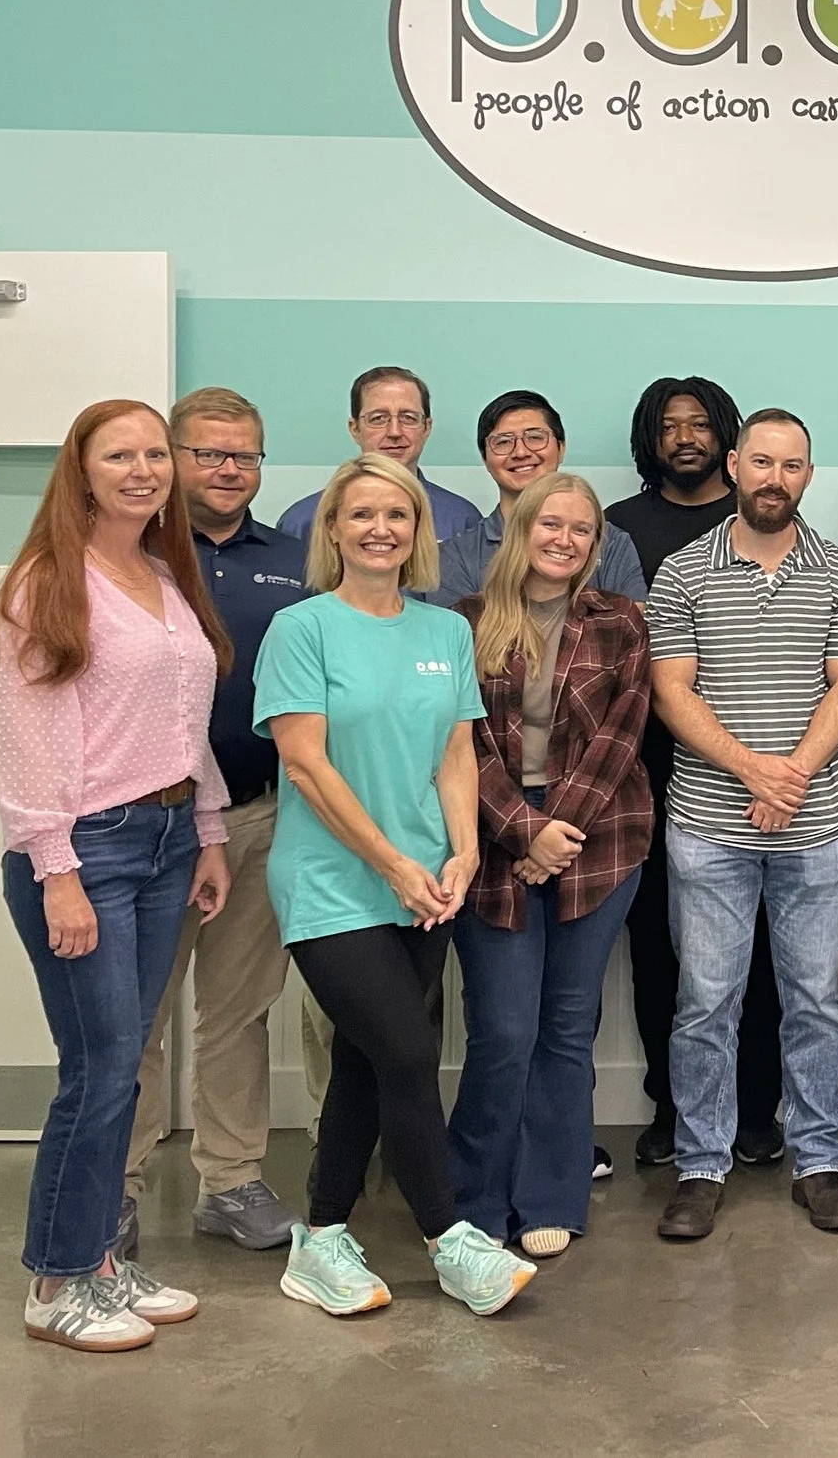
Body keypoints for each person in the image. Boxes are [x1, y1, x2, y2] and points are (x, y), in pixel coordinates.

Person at [254, 452, 537, 1318]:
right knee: (409, 1052)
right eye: (362, 513)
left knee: (365, 1063)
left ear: (418, 531)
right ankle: (450, 1238)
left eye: (399, 514)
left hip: (427, 884)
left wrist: (461, 853)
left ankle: (324, 1237)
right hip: (336, 884)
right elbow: (304, 764)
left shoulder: (445, 630)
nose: (381, 527)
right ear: (332, 528)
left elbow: (457, 752)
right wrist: (392, 863)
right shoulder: (301, 629)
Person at [0, 398, 233, 1352]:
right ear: (80, 470)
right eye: (118, 454)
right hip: (87, 849)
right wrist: (56, 868)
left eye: (154, 453)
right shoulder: (48, 580)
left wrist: (207, 830)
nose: (143, 469)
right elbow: (29, 736)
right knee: (98, 1071)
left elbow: (183, 724)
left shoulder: (165, 573)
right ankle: (54, 1278)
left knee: (123, 1066)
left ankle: (96, 1258)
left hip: (167, 839)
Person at [645, 409, 838, 1242]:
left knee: (815, 1000)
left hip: (816, 828)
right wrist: (755, 771)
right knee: (706, 1002)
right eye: (763, 461)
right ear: (736, 465)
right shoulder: (680, 572)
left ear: (808, 475)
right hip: (710, 825)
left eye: (794, 465)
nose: (776, 477)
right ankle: (700, 1165)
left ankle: (819, 1161)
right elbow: (672, 691)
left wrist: (794, 778)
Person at [448, 472, 654, 1259]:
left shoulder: (623, 622)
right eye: (551, 525)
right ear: (521, 531)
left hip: (601, 842)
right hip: (494, 839)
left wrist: (558, 829)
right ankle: (474, 1196)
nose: (565, 540)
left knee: (567, 1027)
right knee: (501, 1029)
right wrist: (524, 831)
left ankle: (551, 1193)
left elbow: (621, 734)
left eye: (581, 530)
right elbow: (461, 741)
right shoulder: (463, 624)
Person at [122, 389, 304, 1260]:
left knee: (240, 1011)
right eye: (210, 453)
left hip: (258, 814)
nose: (230, 469)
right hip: (150, 829)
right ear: (173, 456)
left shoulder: (298, 561)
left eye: (247, 455)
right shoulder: (134, 557)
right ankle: (112, 1186)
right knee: (137, 1015)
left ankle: (230, 1180)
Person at [604, 375, 786, 1173]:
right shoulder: (617, 530)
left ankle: (755, 1109)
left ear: (730, 440)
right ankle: (674, 1107)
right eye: (669, 425)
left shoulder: (760, 518)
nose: (685, 436)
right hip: (642, 772)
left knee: (763, 954)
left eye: (700, 424)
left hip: (757, 778)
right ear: (650, 437)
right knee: (664, 951)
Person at [431, 391, 648, 605]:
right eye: (503, 442)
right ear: (485, 458)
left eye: (535, 438)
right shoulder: (455, 555)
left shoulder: (611, 543)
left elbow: (631, 629)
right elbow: (455, 637)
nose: (520, 452)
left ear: (561, 448)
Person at [278, 366, 482, 542]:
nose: (394, 431)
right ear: (355, 428)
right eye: (378, 418)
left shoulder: (462, 519)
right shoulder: (303, 521)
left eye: (408, 418)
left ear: (426, 427)